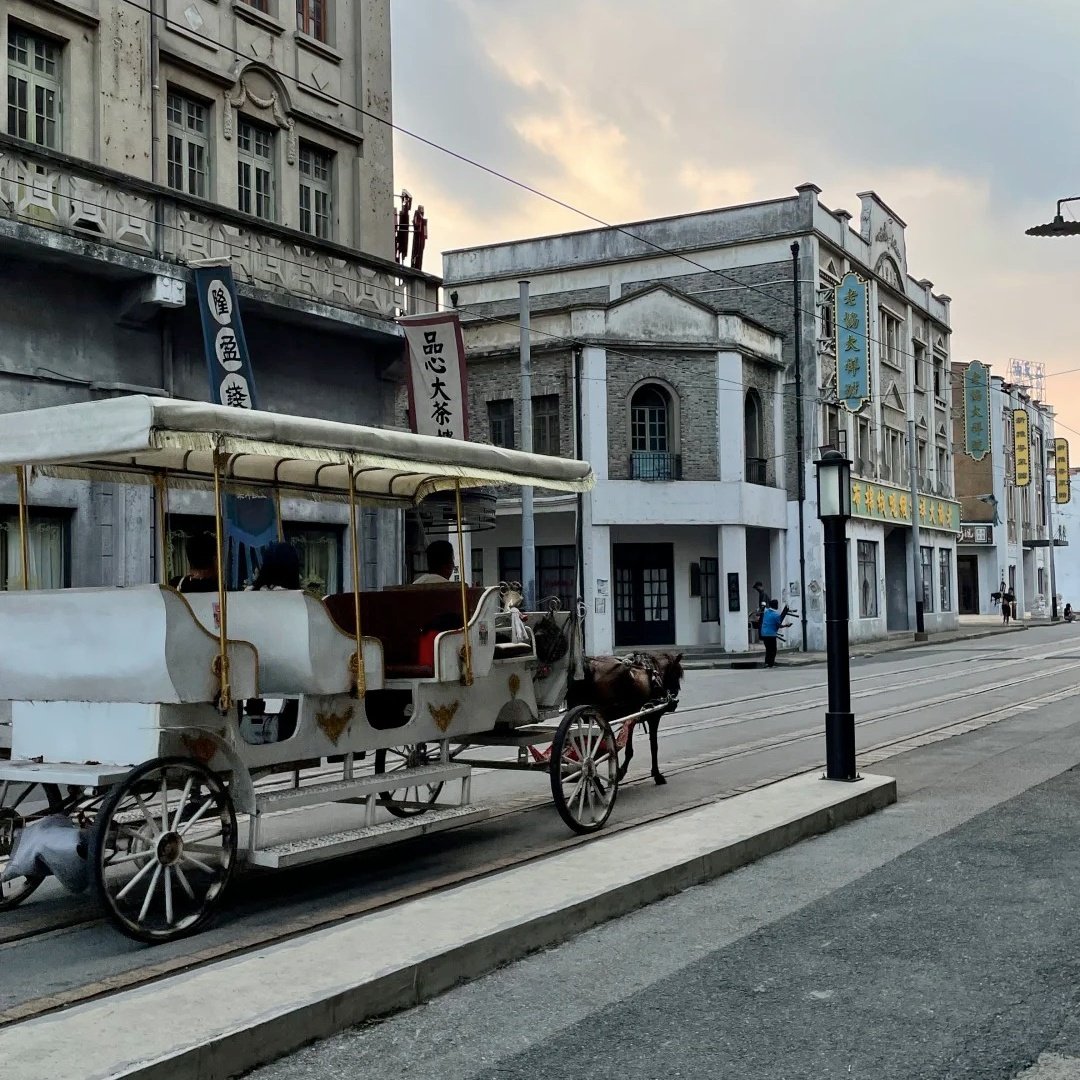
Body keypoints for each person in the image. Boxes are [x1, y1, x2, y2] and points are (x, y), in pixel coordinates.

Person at [759, 599, 791, 669]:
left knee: (768, 649)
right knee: (773, 650)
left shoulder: (766, 611)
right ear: (775, 605)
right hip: (771, 634)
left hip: (764, 633)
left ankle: (767, 663)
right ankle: (770, 664)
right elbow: (779, 625)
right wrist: (786, 625)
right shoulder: (776, 615)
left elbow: (762, 608)